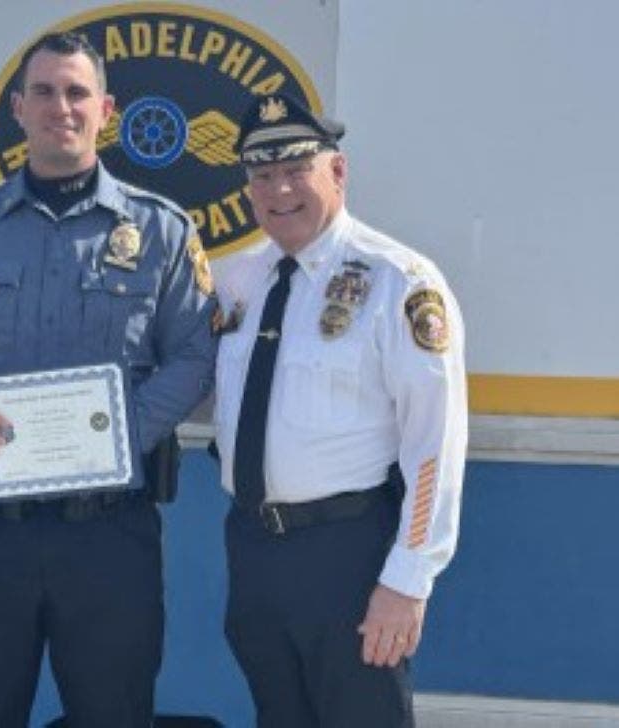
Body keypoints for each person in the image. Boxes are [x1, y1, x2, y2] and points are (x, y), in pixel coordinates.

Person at [0, 32, 217, 728]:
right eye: (43, 91)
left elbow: (193, 354)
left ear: (106, 109)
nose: (59, 107)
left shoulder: (160, 231)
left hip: (106, 535)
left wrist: (122, 432)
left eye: (75, 92)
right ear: (18, 107)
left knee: (114, 715)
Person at [212, 93, 467, 727]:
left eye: (297, 169)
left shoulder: (398, 281)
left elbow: (434, 441)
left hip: (349, 555)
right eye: (262, 175)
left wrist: (407, 581)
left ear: (338, 171)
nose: (280, 190)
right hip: (254, 550)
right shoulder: (241, 282)